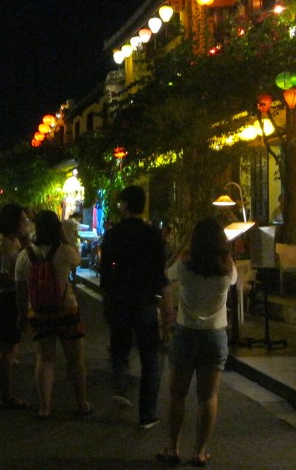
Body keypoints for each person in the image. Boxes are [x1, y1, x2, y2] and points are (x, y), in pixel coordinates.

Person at [156, 218, 236, 467]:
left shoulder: (184, 268)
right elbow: (231, 271)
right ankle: (200, 451)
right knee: (208, 396)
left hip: (186, 334)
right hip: (214, 336)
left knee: (177, 393)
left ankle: (173, 448)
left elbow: (164, 272)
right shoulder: (226, 272)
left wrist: (182, 245)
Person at [100, 185, 173, 429]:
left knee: (119, 349)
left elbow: (106, 273)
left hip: (119, 299)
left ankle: (120, 389)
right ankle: (147, 414)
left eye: (121, 203)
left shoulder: (113, 234)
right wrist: (168, 311)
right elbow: (160, 275)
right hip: (145, 301)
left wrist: (107, 300)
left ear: (126, 205)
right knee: (150, 356)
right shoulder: (153, 235)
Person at [15, 210, 91, 418]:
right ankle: (81, 403)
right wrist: (66, 238)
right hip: (67, 308)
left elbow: (20, 288)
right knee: (75, 360)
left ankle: (45, 407)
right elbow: (78, 260)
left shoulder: (25, 254)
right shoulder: (65, 251)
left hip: (38, 311)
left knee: (45, 360)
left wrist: (22, 314)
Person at [0, 203, 30, 407]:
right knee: (6, 350)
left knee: (4, 349)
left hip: (1, 298)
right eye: (22, 220)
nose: (26, 222)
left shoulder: (11, 241)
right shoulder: (4, 245)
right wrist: (23, 283)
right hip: (4, 298)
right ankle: (6, 396)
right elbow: (2, 278)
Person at [62, 211, 82, 282]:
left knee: (67, 261)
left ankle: (67, 277)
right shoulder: (76, 223)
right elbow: (76, 235)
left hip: (65, 244)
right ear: (77, 217)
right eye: (79, 218)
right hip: (74, 244)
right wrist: (86, 239)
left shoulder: (65, 222)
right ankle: (74, 277)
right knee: (74, 261)